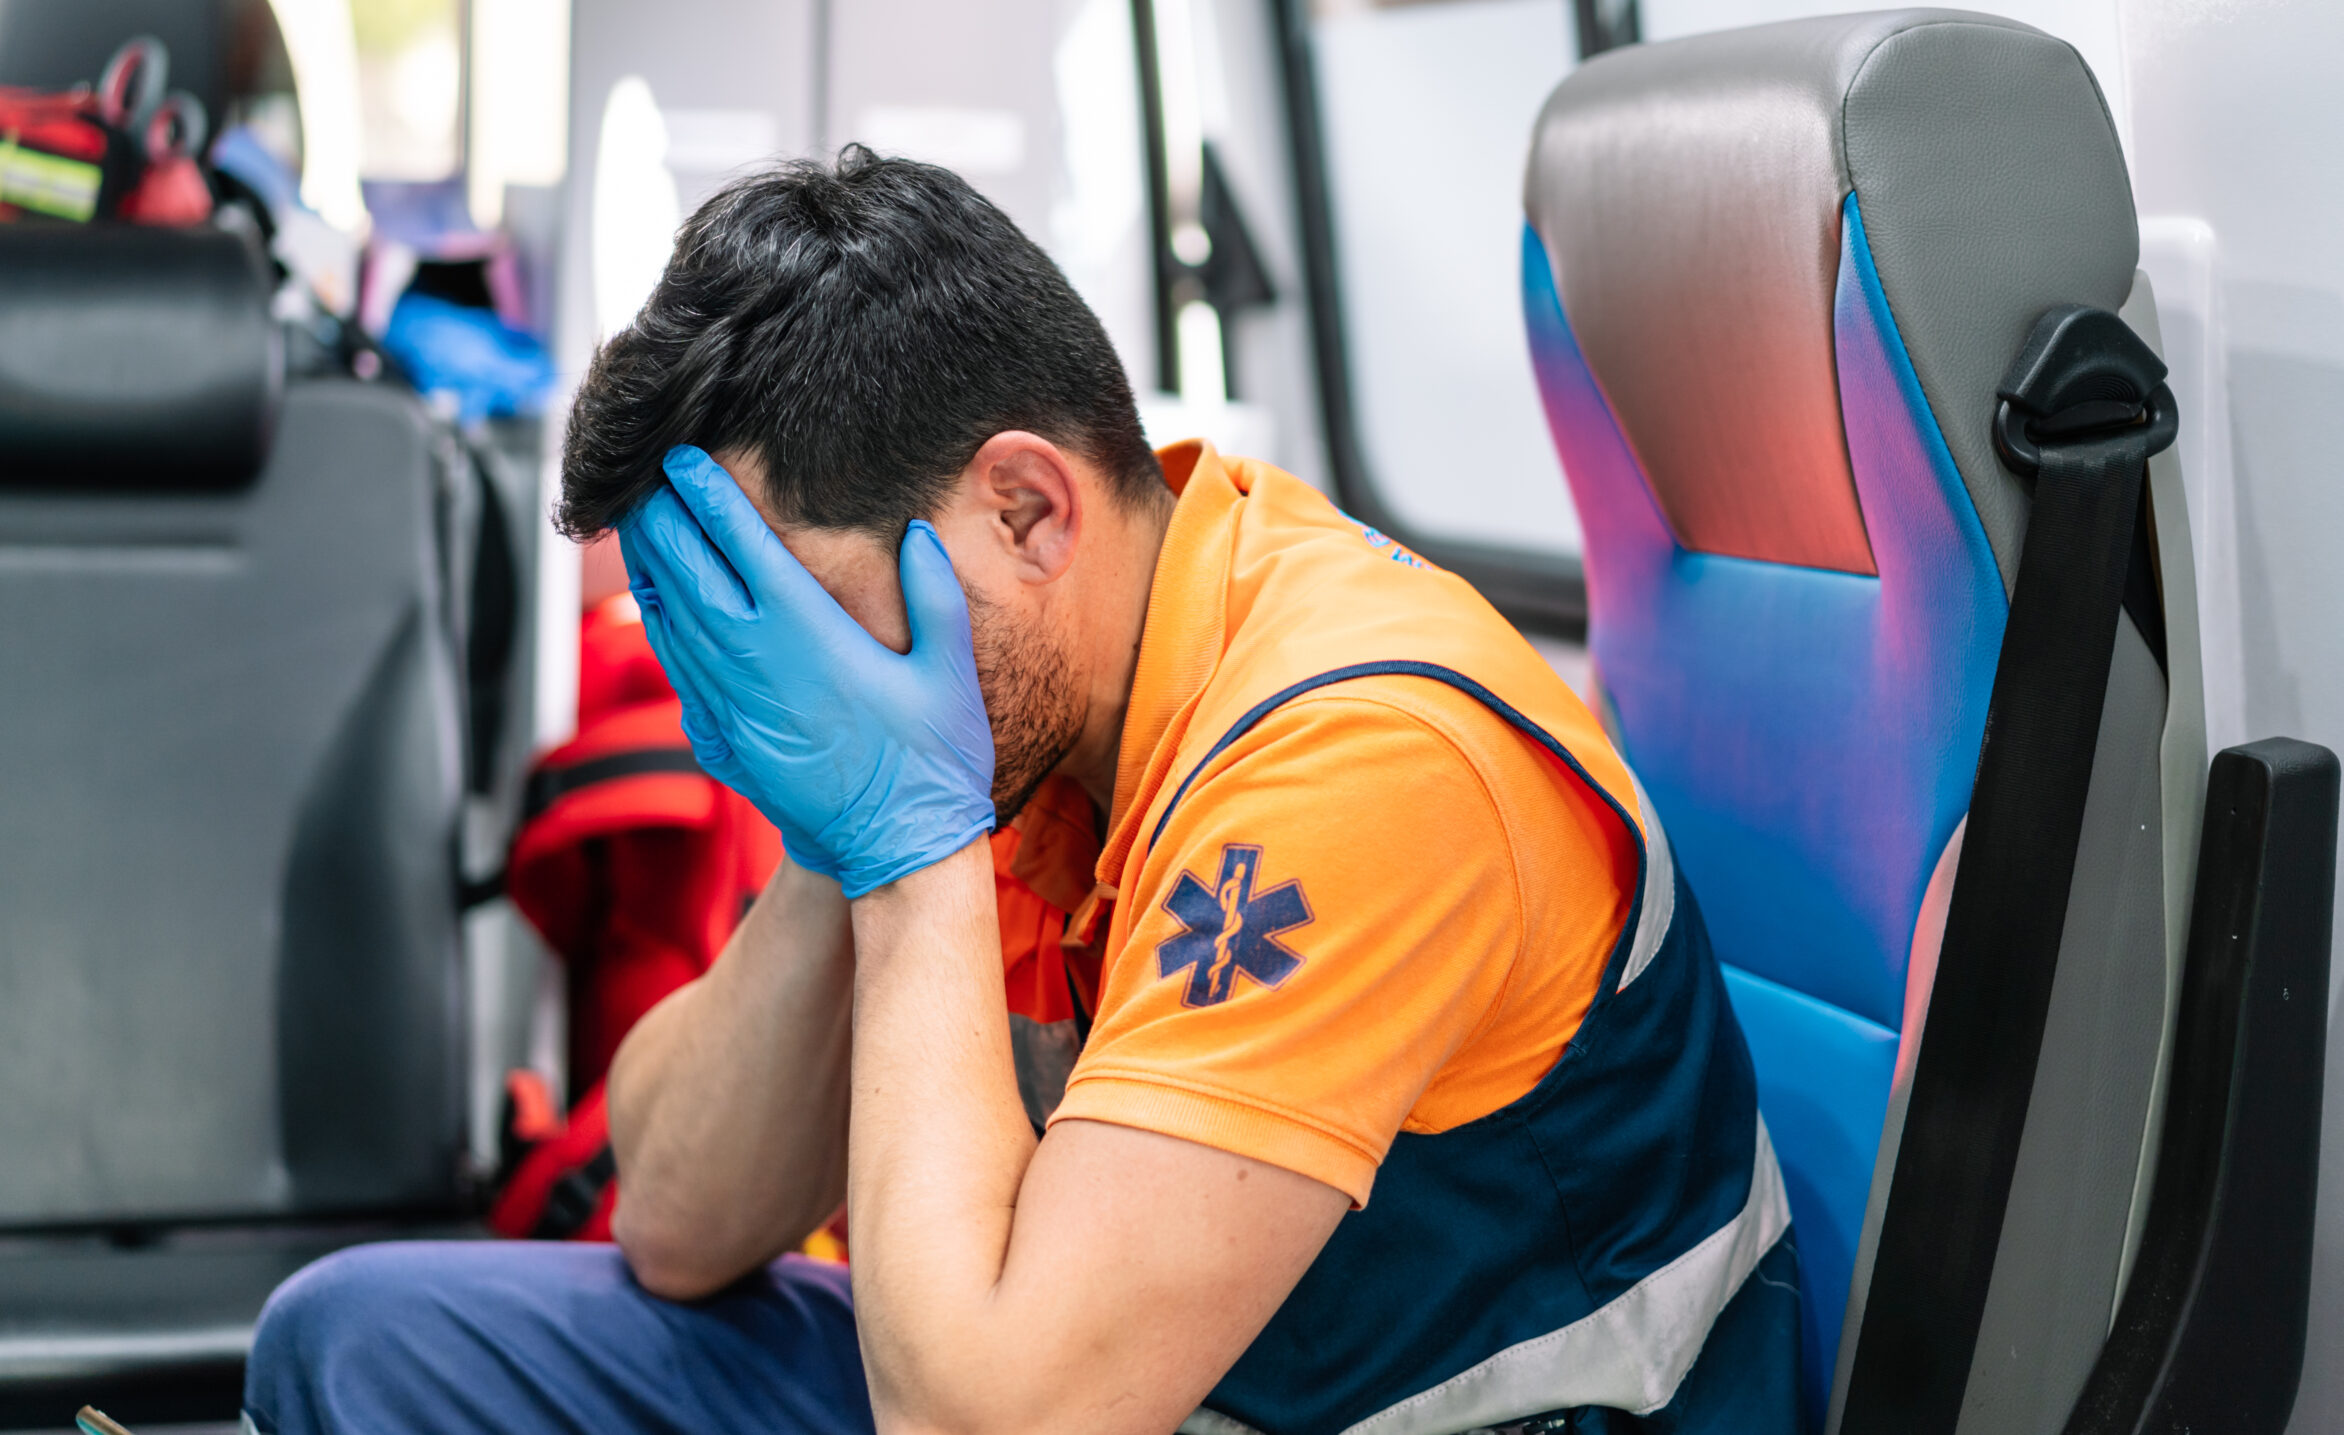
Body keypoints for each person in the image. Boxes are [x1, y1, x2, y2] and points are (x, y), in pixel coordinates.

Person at [245, 149, 1802, 1435]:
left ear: (1024, 507)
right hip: (1139, 1384)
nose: (792, 694)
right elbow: (678, 1217)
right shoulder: (1013, 709)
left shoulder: (1359, 755)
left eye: (802, 620)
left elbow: (984, 1426)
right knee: (369, 1346)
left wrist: (910, 849)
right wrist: (833, 828)